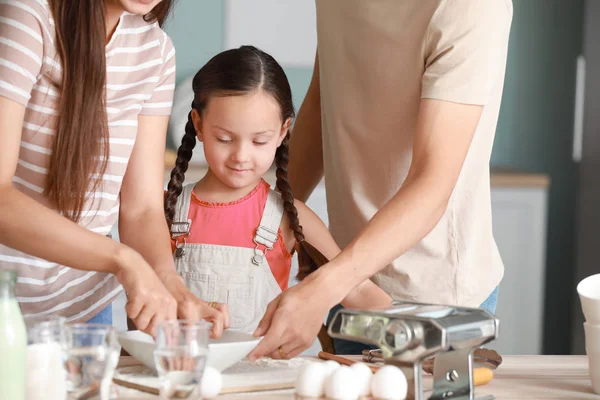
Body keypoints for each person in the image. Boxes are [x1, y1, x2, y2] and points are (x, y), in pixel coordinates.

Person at [248, 0, 513, 359]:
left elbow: (432, 183)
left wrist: (325, 286)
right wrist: (259, 216)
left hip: (433, 299)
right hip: (347, 278)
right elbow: (325, 99)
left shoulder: (470, 7)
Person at [0, 0, 228, 337]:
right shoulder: (27, 18)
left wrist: (169, 283)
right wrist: (123, 259)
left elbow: (142, 209)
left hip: (85, 312)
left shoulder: (155, 51)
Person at [163, 45, 392, 336]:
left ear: (283, 132)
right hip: (184, 374)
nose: (241, 156)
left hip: (265, 378)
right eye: (224, 138)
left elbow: (357, 291)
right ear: (198, 124)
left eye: (259, 141)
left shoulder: (289, 216)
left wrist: (417, 331)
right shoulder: (166, 211)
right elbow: (143, 309)